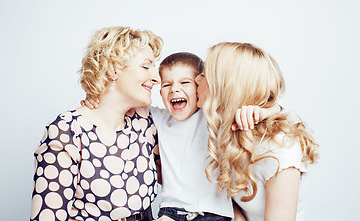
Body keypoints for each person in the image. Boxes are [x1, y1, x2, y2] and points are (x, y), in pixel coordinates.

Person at [82, 52, 281, 221]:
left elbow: (276, 111)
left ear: (199, 88)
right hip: (171, 213)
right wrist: (96, 95)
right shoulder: (158, 119)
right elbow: (120, 100)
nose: (175, 89)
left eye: (185, 82)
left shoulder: (214, 117)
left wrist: (269, 110)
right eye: (166, 85)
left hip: (215, 214)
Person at [30, 26, 163, 221]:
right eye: (145, 66)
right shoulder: (67, 130)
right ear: (112, 68)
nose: (156, 78)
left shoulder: (144, 121)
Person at [195, 42, 319, 221]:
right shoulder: (224, 130)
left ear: (226, 86)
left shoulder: (279, 149)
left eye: (204, 74)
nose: (196, 79)